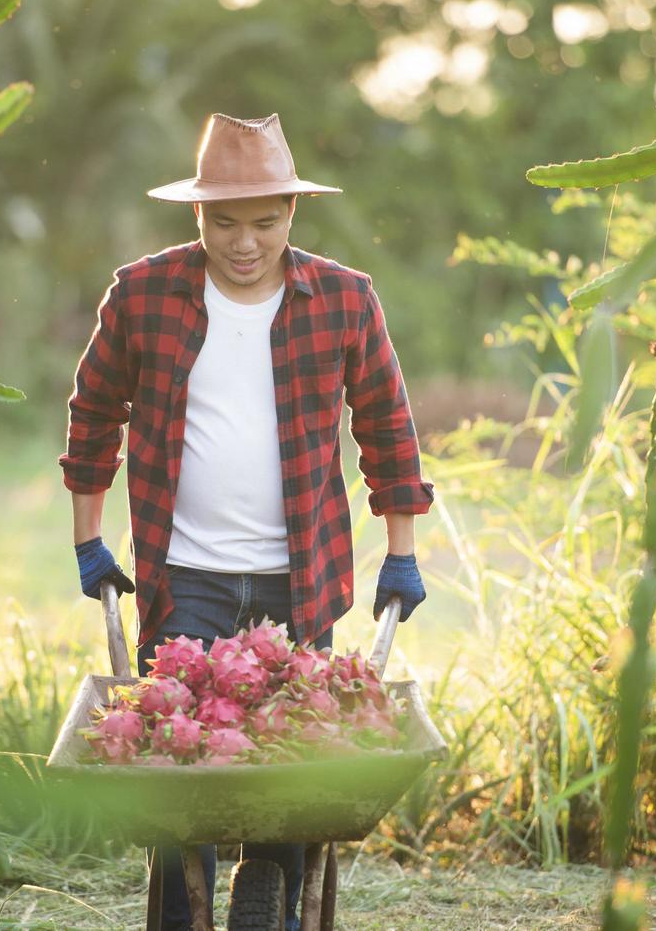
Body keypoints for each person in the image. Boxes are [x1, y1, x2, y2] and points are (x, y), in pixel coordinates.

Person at [58, 112, 434, 931]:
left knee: (293, 793)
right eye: (224, 221)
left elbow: (389, 433)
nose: (244, 242)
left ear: (292, 214)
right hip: (181, 577)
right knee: (174, 797)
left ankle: (280, 910)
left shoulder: (342, 299)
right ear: (196, 215)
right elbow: (94, 417)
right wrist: (90, 541)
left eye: (264, 222)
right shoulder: (144, 292)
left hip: (300, 583)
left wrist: (401, 556)